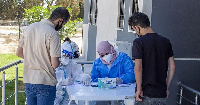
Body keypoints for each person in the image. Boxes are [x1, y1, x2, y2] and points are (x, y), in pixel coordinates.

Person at [16, 7, 70, 105]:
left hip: (29, 80)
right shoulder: (53, 34)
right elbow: (54, 64)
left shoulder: (30, 27)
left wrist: (34, 59)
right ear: (60, 20)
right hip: (46, 81)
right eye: (64, 23)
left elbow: (19, 53)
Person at [128, 12, 176, 105]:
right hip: (161, 93)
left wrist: (138, 89)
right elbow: (172, 67)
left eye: (134, 29)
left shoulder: (138, 42)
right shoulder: (165, 41)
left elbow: (138, 68)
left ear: (137, 27)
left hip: (145, 94)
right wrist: (166, 87)